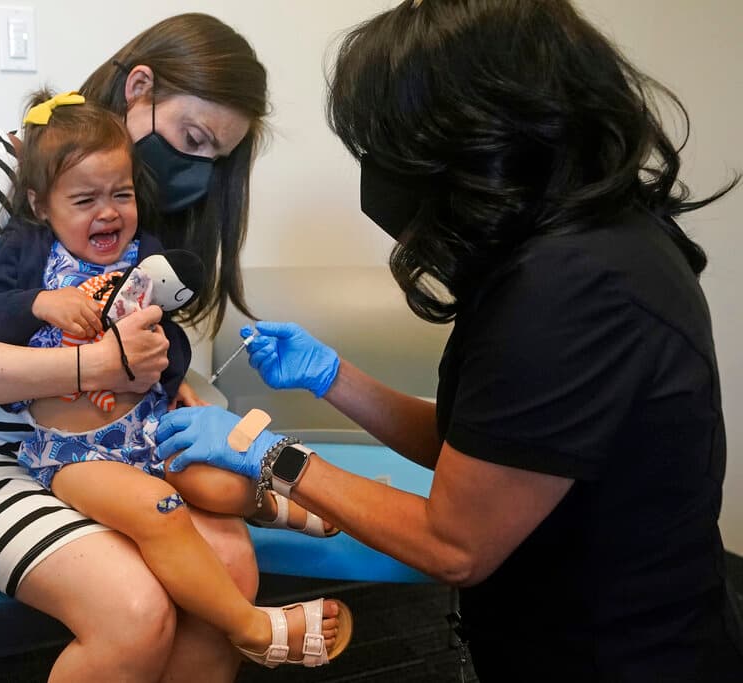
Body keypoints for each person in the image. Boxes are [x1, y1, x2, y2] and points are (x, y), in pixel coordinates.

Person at [155, 1, 743, 681]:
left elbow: (455, 541)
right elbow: (484, 449)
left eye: (387, 151)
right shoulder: (577, 248)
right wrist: (330, 376)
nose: (377, 176)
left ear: (468, 135)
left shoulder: (576, 288)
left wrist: (271, 456)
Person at [0, 13, 341, 682]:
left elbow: (146, 336)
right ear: (139, 87)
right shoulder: (1, 171)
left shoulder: (132, 205)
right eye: (192, 138)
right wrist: (92, 363)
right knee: (136, 610)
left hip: (118, 443)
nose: (196, 169)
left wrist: (159, 382)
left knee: (228, 568)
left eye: (215, 159)